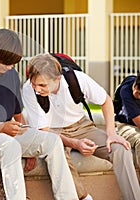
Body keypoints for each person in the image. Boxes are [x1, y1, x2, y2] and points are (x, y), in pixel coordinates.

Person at [0, 29, 78, 200]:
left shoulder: (12, 75)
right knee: (11, 146)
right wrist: (1, 127)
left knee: (52, 141)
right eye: (7, 63)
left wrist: (29, 144)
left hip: (7, 131)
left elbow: (17, 114)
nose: (11, 68)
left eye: (13, 64)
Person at [22, 53, 140, 200]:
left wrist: (111, 134)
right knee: (57, 154)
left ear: (58, 78)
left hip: (82, 127)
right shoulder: (28, 90)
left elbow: (105, 101)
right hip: (52, 132)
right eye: (34, 84)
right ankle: (84, 197)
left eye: (42, 85)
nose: (37, 89)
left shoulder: (76, 78)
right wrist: (76, 144)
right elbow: (43, 131)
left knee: (120, 149)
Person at [114, 73, 140, 169]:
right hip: (123, 125)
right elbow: (138, 121)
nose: (137, 94)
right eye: (137, 91)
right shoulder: (125, 90)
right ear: (135, 83)